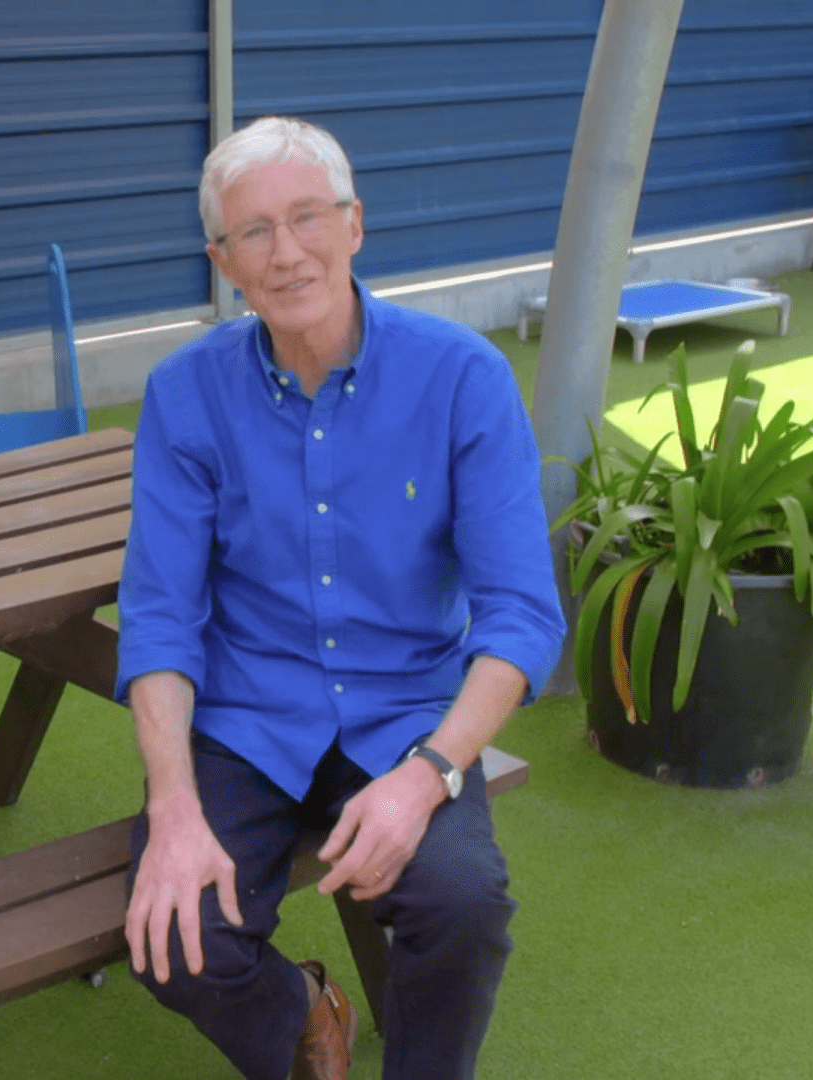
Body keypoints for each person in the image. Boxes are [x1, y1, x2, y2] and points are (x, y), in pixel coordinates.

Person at [115, 115, 566, 1080]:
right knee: (172, 932)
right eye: (254, 233)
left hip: (407, 715)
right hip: (250, 719)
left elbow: (522, 614)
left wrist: (430, 774)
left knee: (461, 906)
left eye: (307, 217)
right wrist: (173, 807)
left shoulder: (463, 380)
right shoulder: (185, 395)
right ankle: (307, 1010)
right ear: (223, 260)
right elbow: (160, 616)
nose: (287, 254)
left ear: (355, 224)